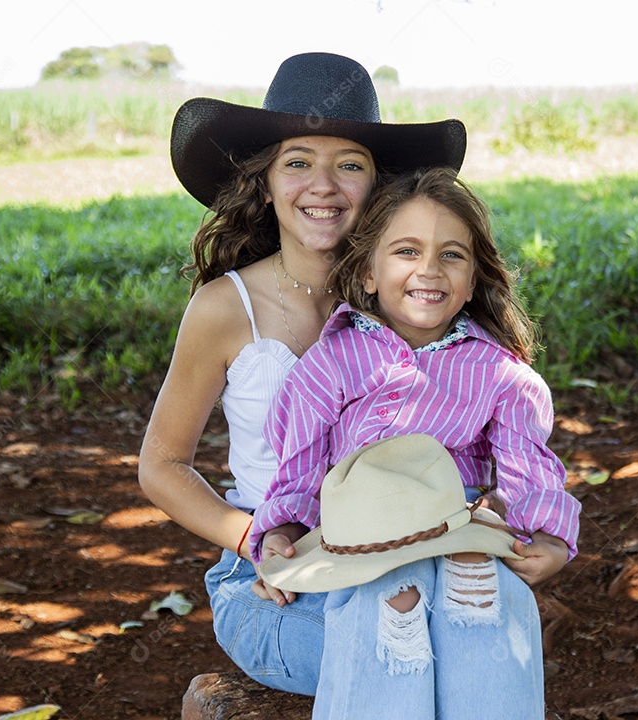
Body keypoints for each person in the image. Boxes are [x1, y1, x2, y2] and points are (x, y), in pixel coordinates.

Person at [137, 51, 466, 698]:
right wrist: (255, 542)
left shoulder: (410, 299)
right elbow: (162, 464)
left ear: (378, 188)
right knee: (392, 663)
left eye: (349, 165)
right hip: (276, 576)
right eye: (297, 163)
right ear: (264, 184)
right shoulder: (225, 308)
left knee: (474, 649)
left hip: (400, 556)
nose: (324, 185)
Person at [247, 167, 582, 719]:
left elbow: (529, 464)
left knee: (487, 614)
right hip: (364, 536)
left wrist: (549, 535)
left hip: (462, 524)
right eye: (406, 250)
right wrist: (280, 532)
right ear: (369, 272)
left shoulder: (499, 373)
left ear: (474, 280)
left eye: (452, 255)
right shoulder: (331, 362)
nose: (429, 269)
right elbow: (300, 471)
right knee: (387, 611)